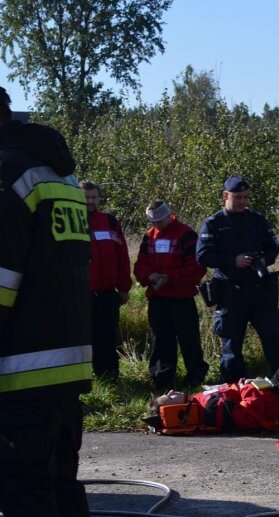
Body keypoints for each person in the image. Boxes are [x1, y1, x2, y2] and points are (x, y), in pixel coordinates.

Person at [0, 86, 92, 516]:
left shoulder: (7, 175)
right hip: (64, 365)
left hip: (17, 371)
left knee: (23, 492)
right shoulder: (60, 174)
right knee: (60, 485)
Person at [196, 175, 279, 382]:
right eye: (238, 197)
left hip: (260, 291)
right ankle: (232, 392)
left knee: (274, 341)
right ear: (225, 196)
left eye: (246, 197)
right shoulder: (213, 223)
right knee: (231, 347)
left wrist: (263, 260)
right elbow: (202, 256)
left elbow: (273, 247)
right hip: (230, 292)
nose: (243, 202)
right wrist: (232, 261)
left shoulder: (256, 220)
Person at [148, 339, 279, 433]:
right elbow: (250, 412)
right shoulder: (211, 411)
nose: (172, 391)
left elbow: (234, 394)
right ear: (176, 410)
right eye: (170, 396)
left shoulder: (198, 402)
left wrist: (246, 385)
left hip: (270, 390)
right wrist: (250, 386)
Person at [134, 200, 209, 390]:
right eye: (154, 221)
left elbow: (197, 267)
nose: (157, 224)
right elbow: (140, 266)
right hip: (158, 298)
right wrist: (150, 276)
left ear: (169, 215)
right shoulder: (149, 236)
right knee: (161, 340)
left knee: (189, 339)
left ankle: (195, 375)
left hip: (181, 298)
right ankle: (162, 379)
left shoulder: (186, 234)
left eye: (160, 220)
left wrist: (170, 278)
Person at [81, 179, 132, 380]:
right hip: (83, 294)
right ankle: (85, 378)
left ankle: (109, 376)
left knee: (108, 336)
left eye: (94, 197)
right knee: (84, 338)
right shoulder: (74, 221)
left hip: (107, 293)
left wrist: (124, 287)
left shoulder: (109, 221)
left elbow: (122, 257)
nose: (91, 201)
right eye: (87, 198)